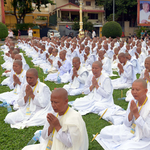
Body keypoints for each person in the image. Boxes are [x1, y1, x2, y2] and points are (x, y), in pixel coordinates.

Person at [22, 88, 89, 150]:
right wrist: (51, 126)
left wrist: (57, 126)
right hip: (50, 145)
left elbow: (70, 144)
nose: (53, 105)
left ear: (66, 102)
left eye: (56, 102)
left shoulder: (74, 117)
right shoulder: (54, 113)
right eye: (51, 102)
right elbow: (44, 136)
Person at [96, 79, 150, 150]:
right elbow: (126, 124)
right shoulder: (133, 101)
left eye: (137, 90)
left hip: (143, 138)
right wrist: (131, 112)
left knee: (124, 148)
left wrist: (136, 115)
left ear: (145, 91)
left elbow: (148, 133)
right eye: (132, 89)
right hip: (130, 130)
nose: (134, 92)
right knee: (103, 132)